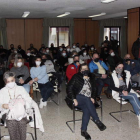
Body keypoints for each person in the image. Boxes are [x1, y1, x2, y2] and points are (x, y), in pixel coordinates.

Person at [66, 63, 106, 139]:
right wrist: (74, 98)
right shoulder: (76, 76)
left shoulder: (92, 76)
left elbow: (94, 89)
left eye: (86, 69)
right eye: (83, 69)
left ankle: (83, 131)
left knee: (87, 109)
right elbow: (69, 88)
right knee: (87, 99)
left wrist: (93, 97)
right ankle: (96, 119)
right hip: (77, 98)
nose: (85, 70)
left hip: (88, 101)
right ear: (80, 70)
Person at [0, 71, 33, 140]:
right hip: (7, 113)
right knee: (12, 122)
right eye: (8, 81)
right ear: (5, 82)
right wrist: (3, 105)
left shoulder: (21, 89)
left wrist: (23, 103)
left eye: (12, 80)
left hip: (21, 112)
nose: (10, 83)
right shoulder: (2, 91)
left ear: (14, 80)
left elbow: (29, 100)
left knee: (21, 122)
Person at [110, 63, 140, 128]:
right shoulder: (113, 75)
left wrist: (127, 91)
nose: (121, 68)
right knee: (133, 96)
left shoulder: (126, 74)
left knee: (133, 99)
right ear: (115, 68)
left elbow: (129, 85)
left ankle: (139, 116)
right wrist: (122, 91)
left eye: (122, 67)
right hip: (119, 92)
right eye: (119, 67)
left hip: (127, 91)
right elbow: (112, 87)